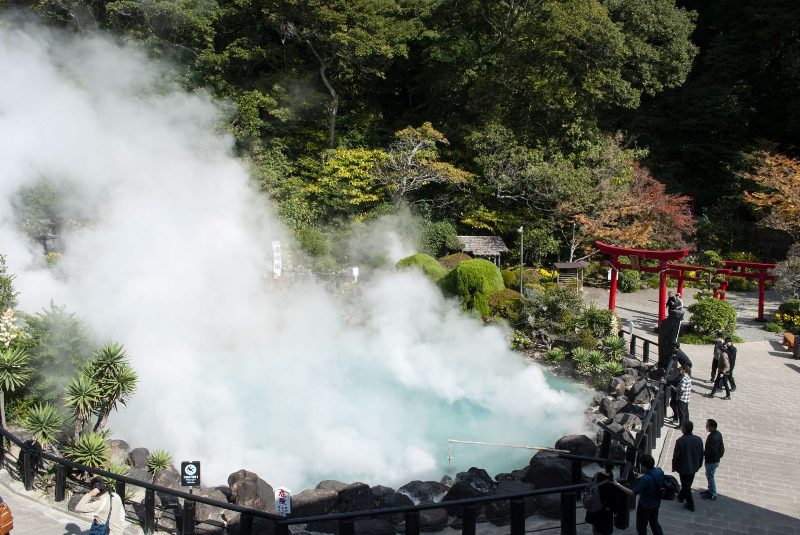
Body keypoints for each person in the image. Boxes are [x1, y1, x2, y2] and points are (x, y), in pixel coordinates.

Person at [611, 454, 664, 535]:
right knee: (654, 523)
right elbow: (653, 476)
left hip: (645, 506)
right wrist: (642, 475)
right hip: (656, 503)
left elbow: (633, 492)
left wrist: (617, 484)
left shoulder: (646, 479)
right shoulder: (658, 471)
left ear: (644, 466)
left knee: (641, 526)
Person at [672, 421, 704, 512]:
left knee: (686, 486)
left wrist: (674, 466)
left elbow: (676, 456)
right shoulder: (698, 439)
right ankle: (681, 497)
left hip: (683, 467)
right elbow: (702, 454)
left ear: (685, 429)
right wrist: (699, 464)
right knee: (688, 483)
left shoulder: (680, 441)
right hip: (694, 466)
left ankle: (690, 504)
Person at [585, 461, 619, 535]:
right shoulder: (612, 480)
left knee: (595, 526)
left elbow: (591, 487)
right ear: (612, 468)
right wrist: (615, 510)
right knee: (605, 529)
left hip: (595, 505)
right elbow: (613, 497)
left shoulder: (597, 475)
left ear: (604, 466)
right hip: (606, 509)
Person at [701, 419, 725, 501]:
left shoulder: (713, 437)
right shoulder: (717, 434)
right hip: (715, 460)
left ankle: (713, 494)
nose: (706, 427)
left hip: (712, 461)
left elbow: (711, 451)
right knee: (709, 475)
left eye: (708, 425)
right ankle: (710, 490)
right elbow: (722, 448)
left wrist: (704, 455)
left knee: (710, 476)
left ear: (712, 426)